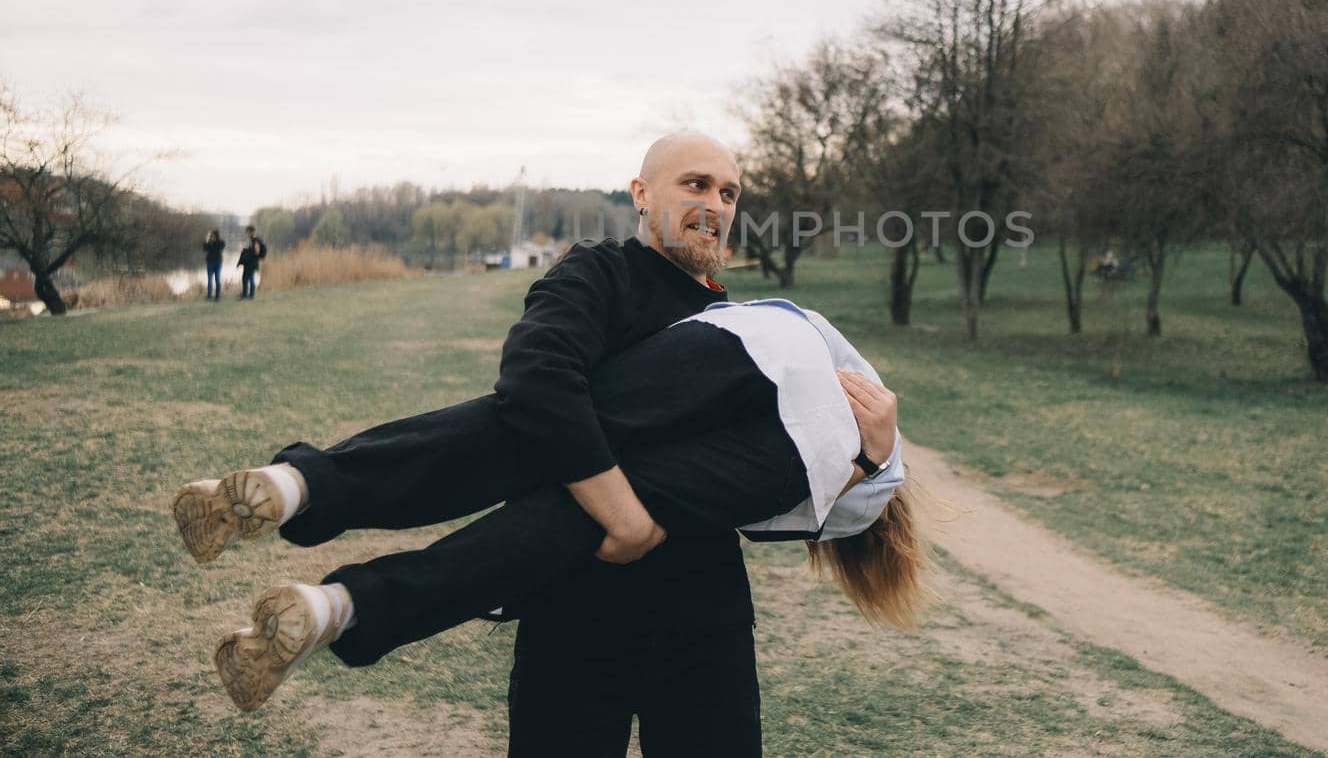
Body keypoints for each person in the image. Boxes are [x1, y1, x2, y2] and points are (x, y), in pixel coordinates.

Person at [173, 297, 924, 725]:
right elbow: (774, 511)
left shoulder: (835, 443)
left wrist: (871, 457)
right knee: (565, 484)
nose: (719, 206)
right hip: (717, 565)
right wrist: (868, 457)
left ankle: (302, 490)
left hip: (736, 371)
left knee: (529, 438)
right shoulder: (850, 487)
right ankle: (338, 604)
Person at [237, 226, 266, 299]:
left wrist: (251, 251)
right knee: (246, 279)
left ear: (252, 232)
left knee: (249, 279)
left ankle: (249, 295)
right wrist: (240, 262)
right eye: (247, 232)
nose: (247, 233)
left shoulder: (256, 240)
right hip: (247, 263)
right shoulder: (249, 240)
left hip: (252, 263)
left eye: (248, 232)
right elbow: (244, 251)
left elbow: (257, 252)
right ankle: (246, 295)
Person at [202, 229, 225, 301]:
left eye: (211, 235)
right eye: (210, 235)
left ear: (214, 235)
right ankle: (213, 296)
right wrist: (207, 241)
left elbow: (206, 249)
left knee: (214, 279)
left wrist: (208, 241)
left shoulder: (218, 242)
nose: (211, 236)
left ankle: (214, 296)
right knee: (213, 279)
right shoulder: (214, 242)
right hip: (214, 262)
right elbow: (205, 249)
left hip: (214, 262)